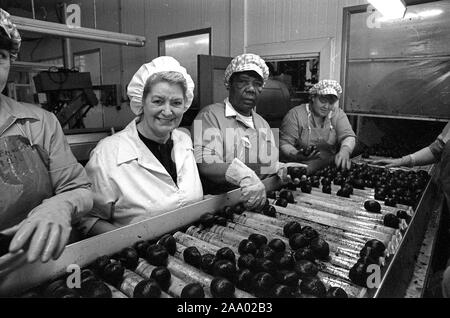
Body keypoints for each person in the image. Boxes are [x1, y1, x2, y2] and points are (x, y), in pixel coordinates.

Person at [0, 8, 93, 274]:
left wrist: (62, 204)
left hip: (40, 265)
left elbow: (82, 191)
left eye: (0, 56)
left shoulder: (40, 123)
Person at [78, 56, 203, 236]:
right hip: (141, 260)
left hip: (193, 246)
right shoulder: (107, 153)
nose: (167, 111)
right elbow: (88, 219)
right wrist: (132, 242)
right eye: (158, 101)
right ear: (141, 102)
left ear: (185, 104)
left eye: (176, 103)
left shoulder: (184, 141)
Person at [192, 53, 296, 211]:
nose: (251, 89)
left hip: (257, 202)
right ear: (229, 84)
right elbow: (206, 164)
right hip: (223, 207)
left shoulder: (263, 124)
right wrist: (242, 175)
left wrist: (281, 169)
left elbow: (266, 165)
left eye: (257, 84)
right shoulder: (209, 116)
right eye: (243, 82)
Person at [279, 79, 356, 173]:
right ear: (313, 97)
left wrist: (345, 150)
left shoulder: (337, 114)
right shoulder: (296, 115)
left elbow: (348, 136)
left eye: (331, 103)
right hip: (300, 169)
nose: (326, 106)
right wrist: (296, 154)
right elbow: (285, 144)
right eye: (323, 100)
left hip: (327, 168)